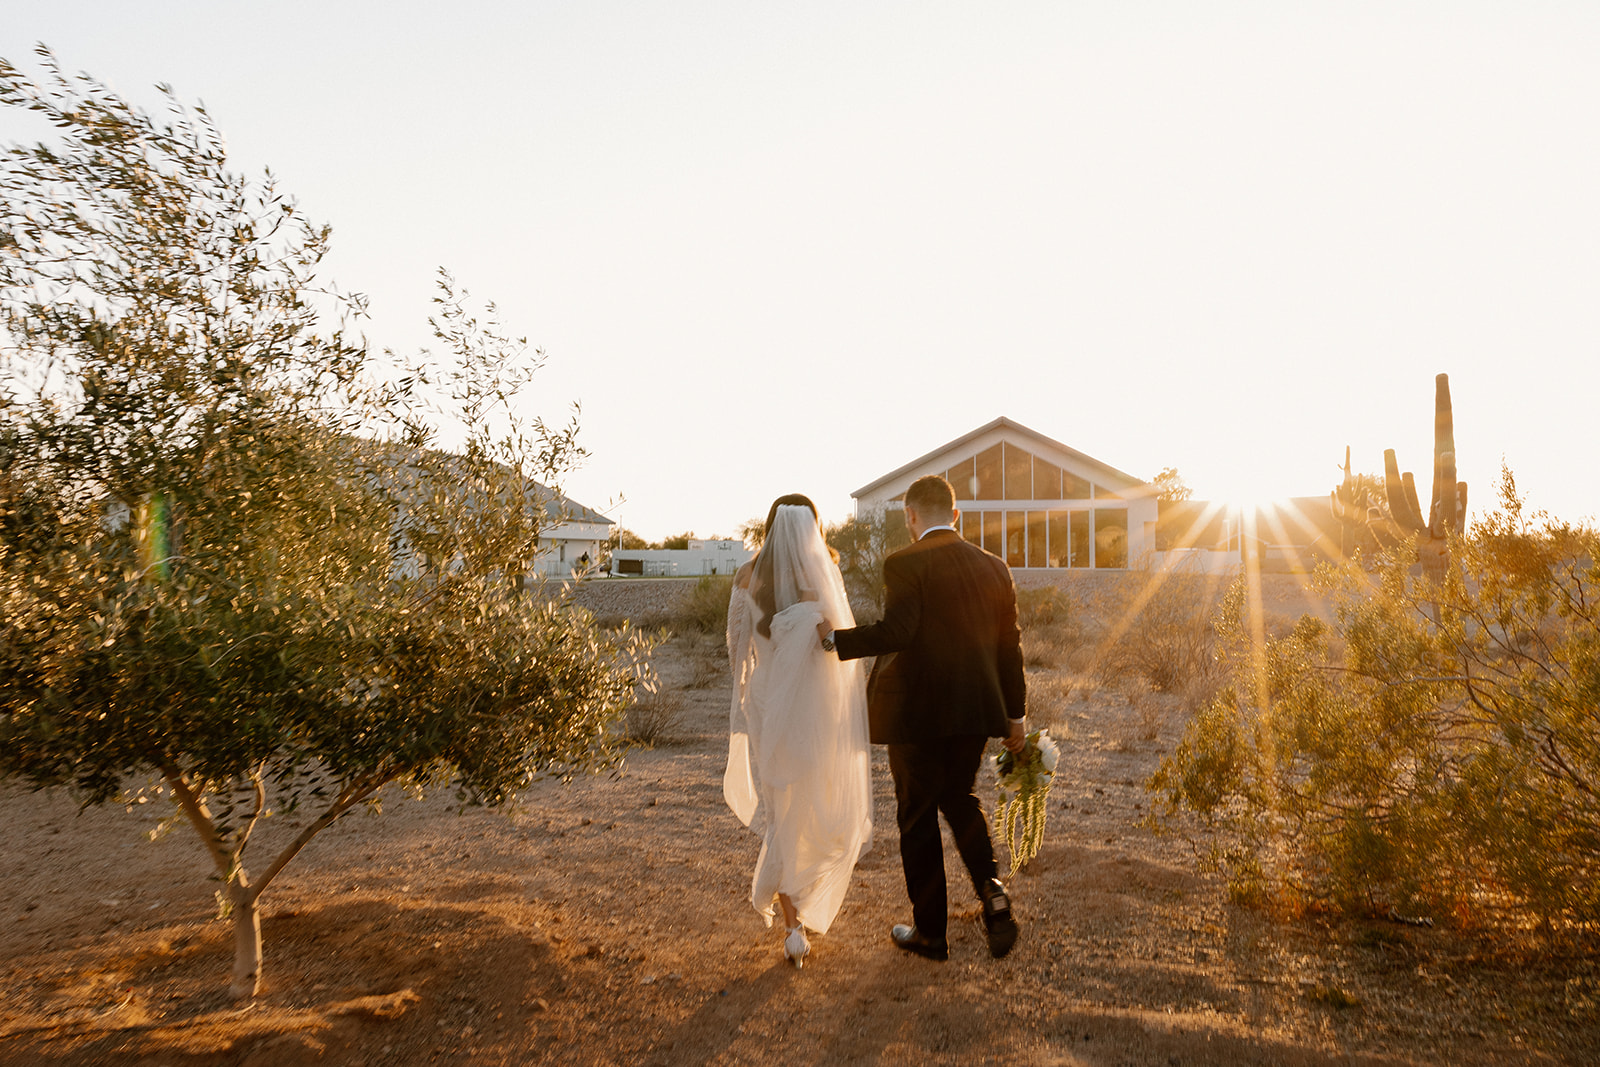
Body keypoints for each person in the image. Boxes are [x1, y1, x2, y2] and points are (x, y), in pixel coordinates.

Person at [820, 474, 1025, 961]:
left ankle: (931, 933)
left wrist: (836, 640)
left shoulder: (904, 561)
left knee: (916, 818)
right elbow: (1009, 648)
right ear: (955, 515)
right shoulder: (996, 567)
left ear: (910, 516)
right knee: (960, 800)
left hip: (916, 713)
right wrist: (1015, 715)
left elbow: (899, 631)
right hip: (976, 712)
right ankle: (993, 892)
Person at [724, 494, 873, 969]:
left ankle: (793, 928)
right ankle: (801, 907)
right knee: (815, 803)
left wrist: (757, 687)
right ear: (813, 529)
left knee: (782, 811)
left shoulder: (748, 577)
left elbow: (736, 648)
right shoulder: (822, 575)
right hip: (815, 709)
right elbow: (837, 648)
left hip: (770, 706)